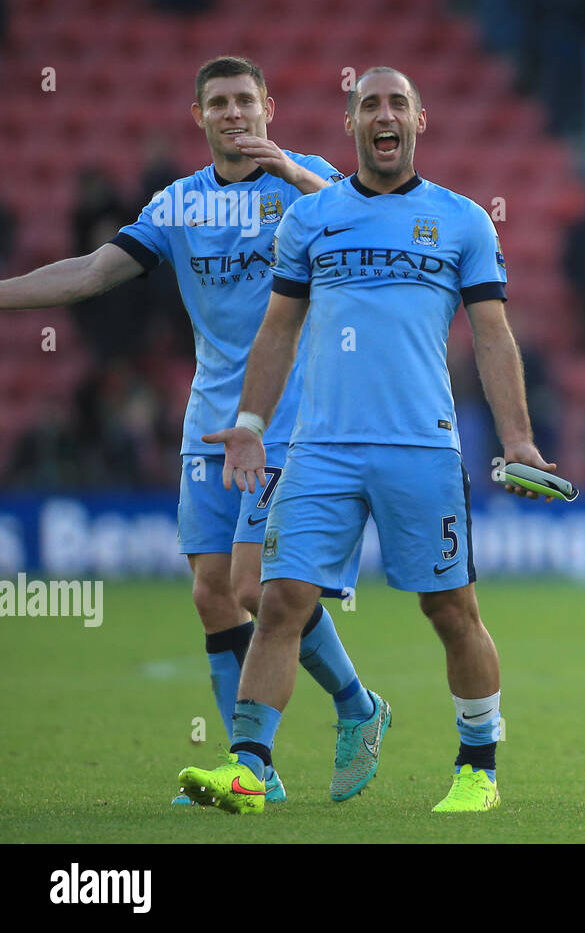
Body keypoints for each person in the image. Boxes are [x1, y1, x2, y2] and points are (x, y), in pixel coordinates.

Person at [0, 56, 377, 807]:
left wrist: (299, 179)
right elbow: (91, 272)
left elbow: (370, 224)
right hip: (209, 421)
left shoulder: (306, 180)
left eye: (246, 100)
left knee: (253, 582)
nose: (235, 113)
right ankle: (349, 712)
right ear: (198, 117)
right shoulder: (178, 205)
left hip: (290, 419)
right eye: (219, 103)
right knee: (212, 594)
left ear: (269, 106)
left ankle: (261, 760)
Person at [180, 67, 556, 815]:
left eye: (396, 104)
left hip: (421, 446)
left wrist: (518, 439)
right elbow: (277, 330)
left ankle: (478, 770)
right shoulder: (310, 221)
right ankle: (249, 769)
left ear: (421, 120)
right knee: (279, 599)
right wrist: (251, 427)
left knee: (451, 609)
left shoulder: (463, 221)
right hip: (320, 448)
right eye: (368, 106)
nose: (383, 116)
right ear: (349, 126)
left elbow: (492, 336)